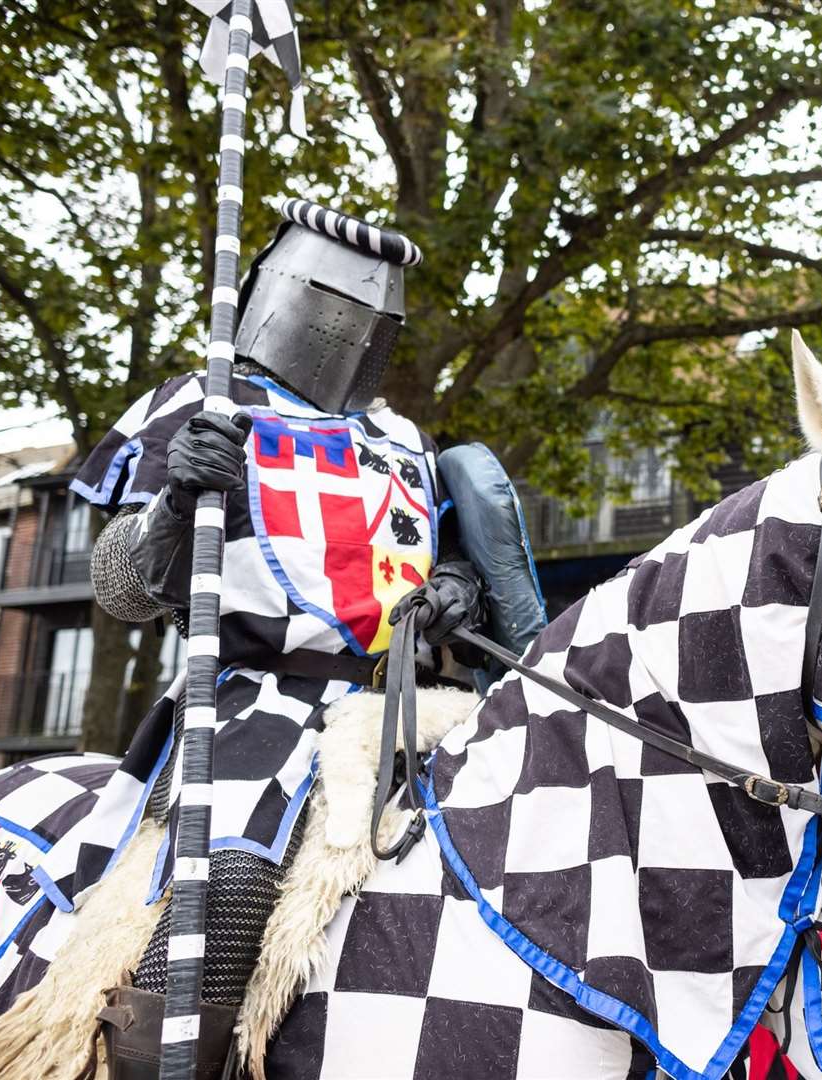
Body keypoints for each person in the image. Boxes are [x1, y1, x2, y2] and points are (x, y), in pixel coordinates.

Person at [59, 198, 542, 1074]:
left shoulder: (403, 441)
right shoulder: (201, 404)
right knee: (229, 891)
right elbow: (121, 590)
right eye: (337, 307)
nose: (352, 333)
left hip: (394, 702)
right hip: (250, 705)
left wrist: (451, 591)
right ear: (281, 294)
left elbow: (441, 564)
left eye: (375, 319)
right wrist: (174, 501)